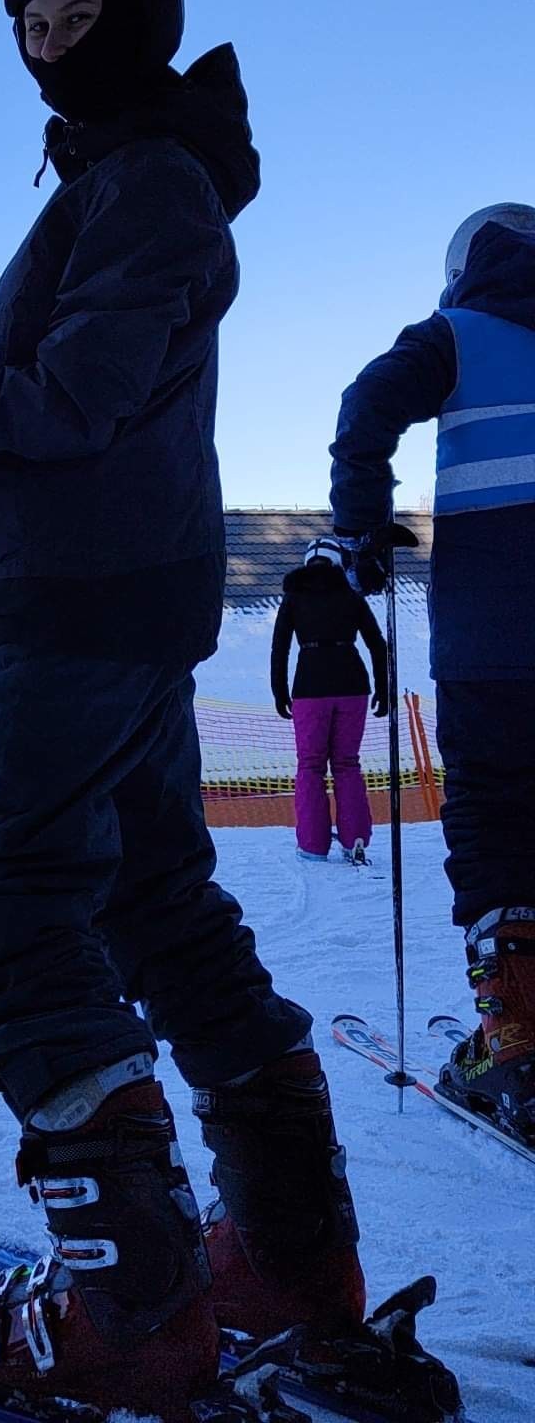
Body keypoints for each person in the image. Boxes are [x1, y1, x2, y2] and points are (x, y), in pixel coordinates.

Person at [0, 0, 363, 1418]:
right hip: (122, 598)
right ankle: (288, 1262)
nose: (52, 46)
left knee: (13, 913)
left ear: (146, 23)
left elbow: (82, 393)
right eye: (32, 24)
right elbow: (91, 389)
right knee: (157, 907)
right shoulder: (137, 174)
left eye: (81, 19)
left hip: (78, 608)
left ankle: (132, 1311)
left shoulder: (146, 179)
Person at [329, 202, 535, 1144]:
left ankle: (516, 1046)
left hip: (493, 637)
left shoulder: (456, 333)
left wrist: (363, 527)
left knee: (491, 811)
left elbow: (367, 404)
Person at [271, 535, 388, 863]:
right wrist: (383, 688)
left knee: (310, 766)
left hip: (310, 687)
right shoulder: (351, 594)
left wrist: (279, 691)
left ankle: (313, 844)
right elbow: (377, 643)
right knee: (347, 763)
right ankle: (355, 838)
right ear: (338, 560)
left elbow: (280, 647)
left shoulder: (294, 597)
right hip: (353, 684)